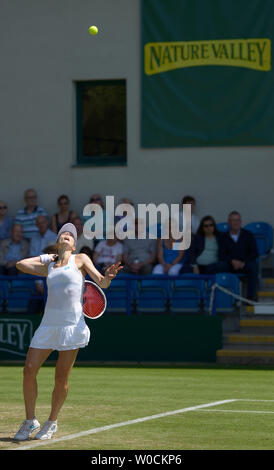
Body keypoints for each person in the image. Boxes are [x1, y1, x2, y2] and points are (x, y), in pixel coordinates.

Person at [13, 223, 122, 441]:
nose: (67, 236)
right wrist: (48, 258)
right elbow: (20, 264)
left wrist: (108, 276)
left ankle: (52, 422)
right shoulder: (49, 265)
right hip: (47, 325)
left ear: (74, 245)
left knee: (60, 377)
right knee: (28, 370)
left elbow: (102, 282)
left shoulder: (80, 259)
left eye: (71, 236)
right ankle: (30, 421)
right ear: (57, 242)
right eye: (63, 234)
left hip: (71, 326)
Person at [221, 211, 258, 301]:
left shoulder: (248, 235)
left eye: (238, 220)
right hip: (229, 265)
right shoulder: (223, 236)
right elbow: (221, 254)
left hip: (244, 264)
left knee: (253, 267)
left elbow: (254, 253)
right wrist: (232, 261)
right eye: (233, 220)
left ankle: (251, 299)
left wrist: (243, 262)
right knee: (218, 266)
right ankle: (222, 299)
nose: (236, 222)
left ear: (241, 222)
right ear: (228, 222)